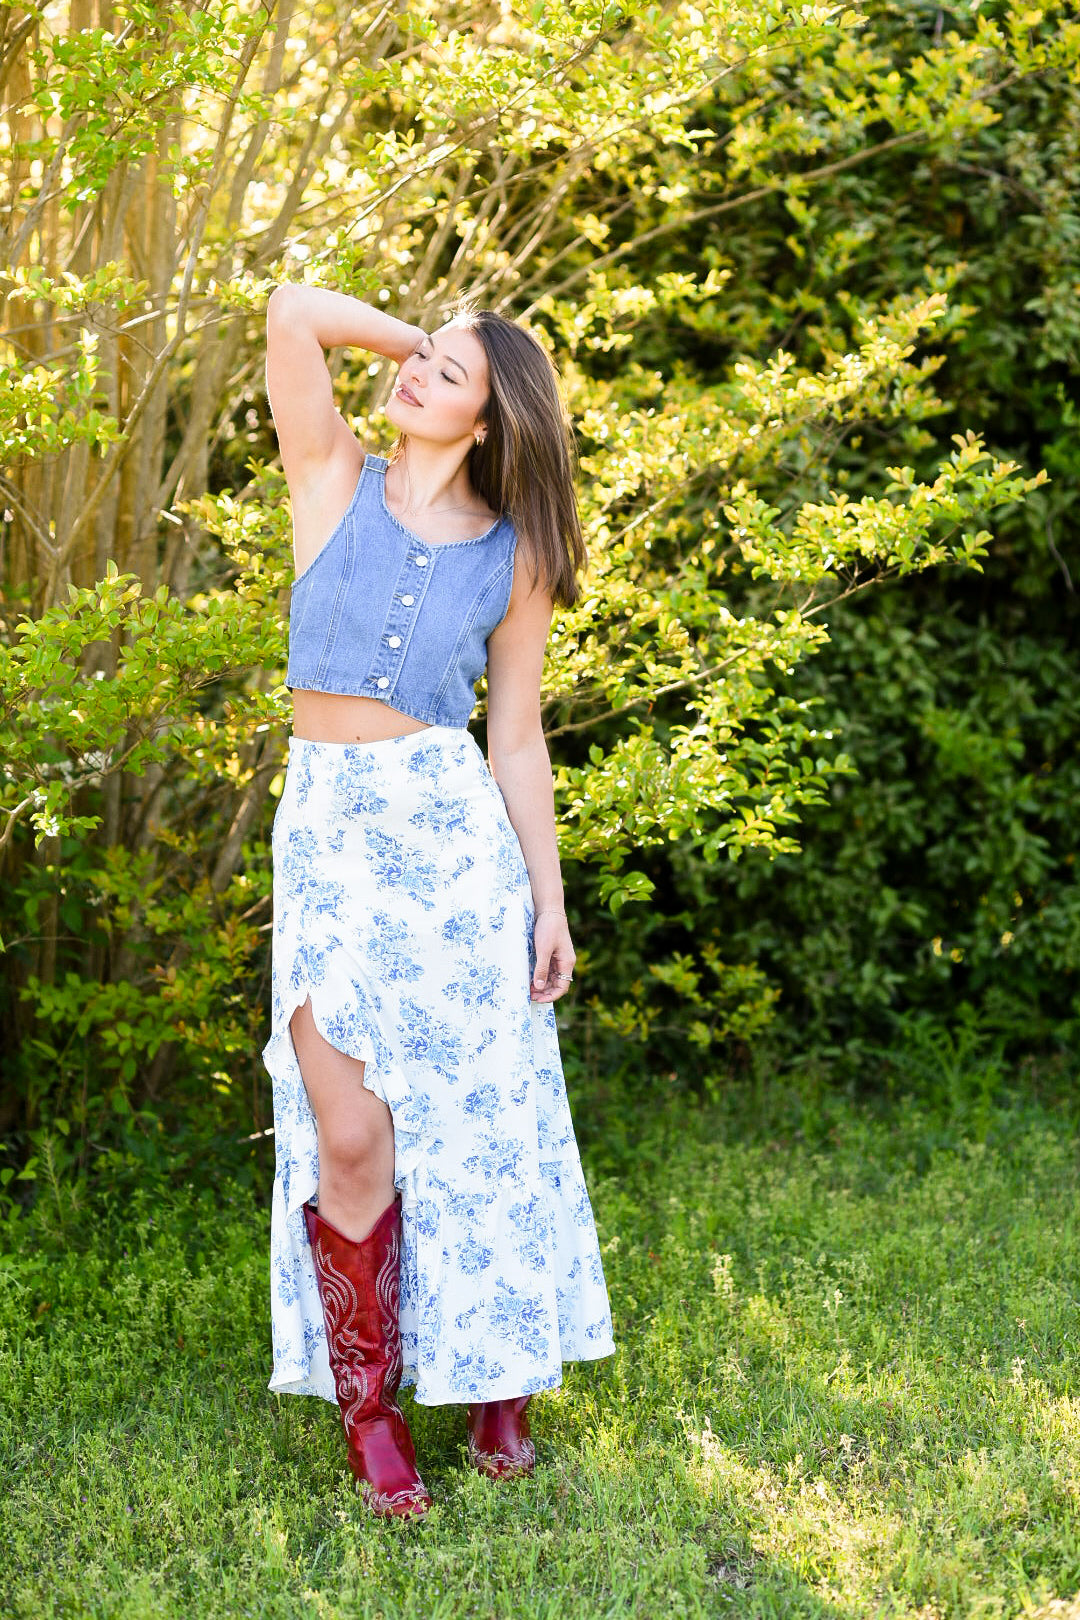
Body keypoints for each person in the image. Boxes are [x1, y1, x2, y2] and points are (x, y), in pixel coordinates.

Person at [260, 283, 616, 1519]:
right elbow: (291, 311)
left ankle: (497, 1385)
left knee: (480, 1123)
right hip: (330, 842)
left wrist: (549, 902)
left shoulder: (518, 556)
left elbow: (516, 740)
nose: (417, 377)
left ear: (490, 418)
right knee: (350, 1133)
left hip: (454, 846)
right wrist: (424, 339)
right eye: (422, 359)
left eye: (451, 374)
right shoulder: (331, 479)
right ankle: (371, 1414)